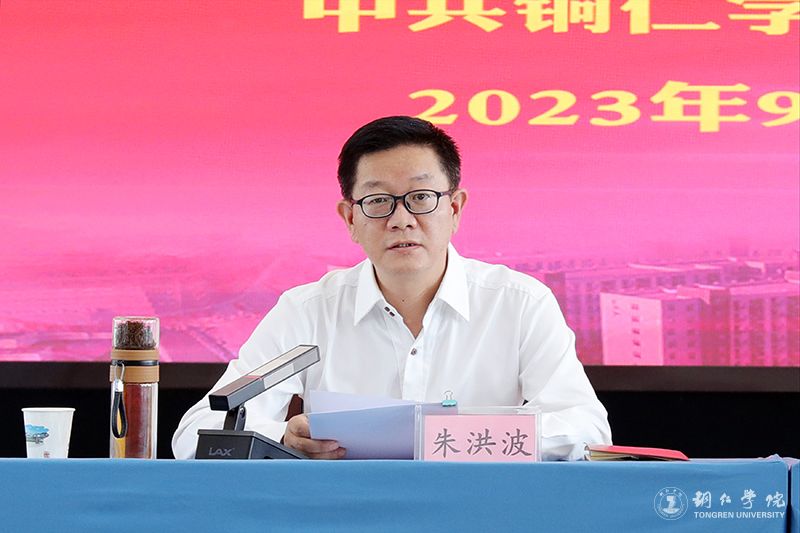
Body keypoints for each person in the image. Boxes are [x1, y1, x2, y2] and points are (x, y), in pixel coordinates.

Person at [172, 116, 612, 460]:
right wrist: (281, 438)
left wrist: (464, 437)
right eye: (378, 201)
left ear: (455, 208)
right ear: (350, 218)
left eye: (421, 198)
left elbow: (588, 429)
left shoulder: (519, 303)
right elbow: (195, 434)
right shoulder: (307, 310)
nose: (401, 220)